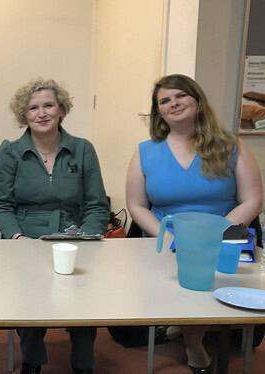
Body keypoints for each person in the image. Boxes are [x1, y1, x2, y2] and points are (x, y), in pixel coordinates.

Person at [126, 74, 263, 374]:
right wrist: (169, 236)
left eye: (180, 96)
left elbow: (253, 200)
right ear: (158, 111)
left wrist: (211, 235)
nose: (173, 103)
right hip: (165, 238)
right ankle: (190, 336)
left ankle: (190, 337)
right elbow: (135, 205)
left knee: (203, 277)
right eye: (164, 100)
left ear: (198, 101)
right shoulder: (145, 151)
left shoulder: (230, 145)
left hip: (221, 236)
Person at [0, 78, 109, 374]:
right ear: (24, 115)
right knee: (29, 304)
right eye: (33, 108)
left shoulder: (83, 149)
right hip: (26, 240)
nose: (41, 113)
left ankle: (83, 364)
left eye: (48, 105)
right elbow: (2, 205)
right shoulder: (10, 152)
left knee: (84, 304)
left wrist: (88, 238)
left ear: (61, 110)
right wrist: (16, 237)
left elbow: (97, 204)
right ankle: (32, 361)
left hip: (76, 238)